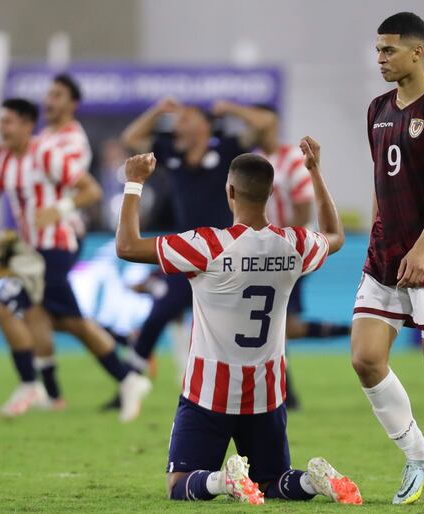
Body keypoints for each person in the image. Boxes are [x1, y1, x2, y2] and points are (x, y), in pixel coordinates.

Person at [116, 137, 361, 505]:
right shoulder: (293, 245)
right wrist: (314, 173)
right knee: (274, 482)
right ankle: (312, 481)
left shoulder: (207, 246)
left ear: (230, 190)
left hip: (208, 391)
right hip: (267, 390)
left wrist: (134, 182)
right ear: (269, 192)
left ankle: (223, 482)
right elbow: (335, 235)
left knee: (179, 484)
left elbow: (127, 246)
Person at [350, 13, 424, 506]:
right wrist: (377, 236)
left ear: (417, 52)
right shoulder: (377, 108)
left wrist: (422, 247)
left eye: (389, 51)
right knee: (365, 358)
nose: (380, 59)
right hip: (384, 257)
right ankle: (420, 456)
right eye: (378, 50)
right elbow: (382, 182)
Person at [0, 95, 150, 420]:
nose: (2, 128)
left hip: (56, 247)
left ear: (27, 125)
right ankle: (126, 378)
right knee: (61, 321)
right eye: (0, 123)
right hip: (29, 252)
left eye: (7, 122)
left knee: (3, 308)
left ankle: (32, 385)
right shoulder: (5, 160)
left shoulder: (47, 154)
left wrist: (59, 209)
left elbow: (91, 189)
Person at [102, 98, 274, 411]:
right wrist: (157, 110)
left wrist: (231, 109)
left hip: (227, 252)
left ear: (205, 125)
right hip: (189, 251)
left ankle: (271, 388)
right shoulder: (171, 152)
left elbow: (264, 124)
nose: (178, 123)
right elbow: (131, 139)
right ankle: (131, 381)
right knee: (158, 315)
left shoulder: (226, 148)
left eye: (187, 118)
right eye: (178, 119)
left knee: (240, 327)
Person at [214, 100, 352, 409]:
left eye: (255, 121)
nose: (251, 128)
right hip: (259, 250)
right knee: (277, 323)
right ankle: (284, 390)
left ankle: (285, 388)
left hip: (287, 251)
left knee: (282, 324)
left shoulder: (292, 159)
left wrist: (278, 245)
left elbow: (303, 211)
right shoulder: (255, 161)